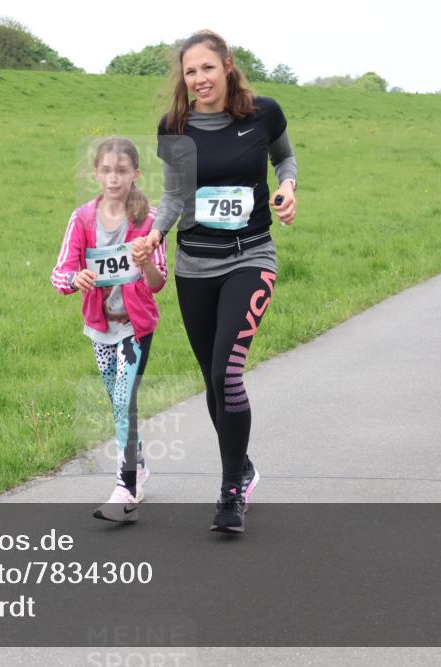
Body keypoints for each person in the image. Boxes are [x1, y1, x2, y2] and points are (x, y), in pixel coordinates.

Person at [142, 30, 297, 533]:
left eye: (207, 68)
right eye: (190, 71)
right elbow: (172, 197)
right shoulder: (176, 126)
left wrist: (288, 187)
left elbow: (283, 159)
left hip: (250, 257)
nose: (199, 79)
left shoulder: (263, 113)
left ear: (227, 66)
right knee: (212, 379)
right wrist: (154, 236)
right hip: (194, 266)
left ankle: (232, 489)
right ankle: (244, 466)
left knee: (228, 372)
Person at [51, 137, 168, 523]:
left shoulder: (149, 220)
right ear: (95, 174)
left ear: (135, 174)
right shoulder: (82, 218)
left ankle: (126, 487)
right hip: (100, 327)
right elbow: (60, 273)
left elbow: (158, 281)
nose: (113, 179)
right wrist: (77, 279)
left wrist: (146, 261)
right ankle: (139, 467)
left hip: (135, 327)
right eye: (106, 171)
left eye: (122, 171)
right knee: (117, 402)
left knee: (123, 402)